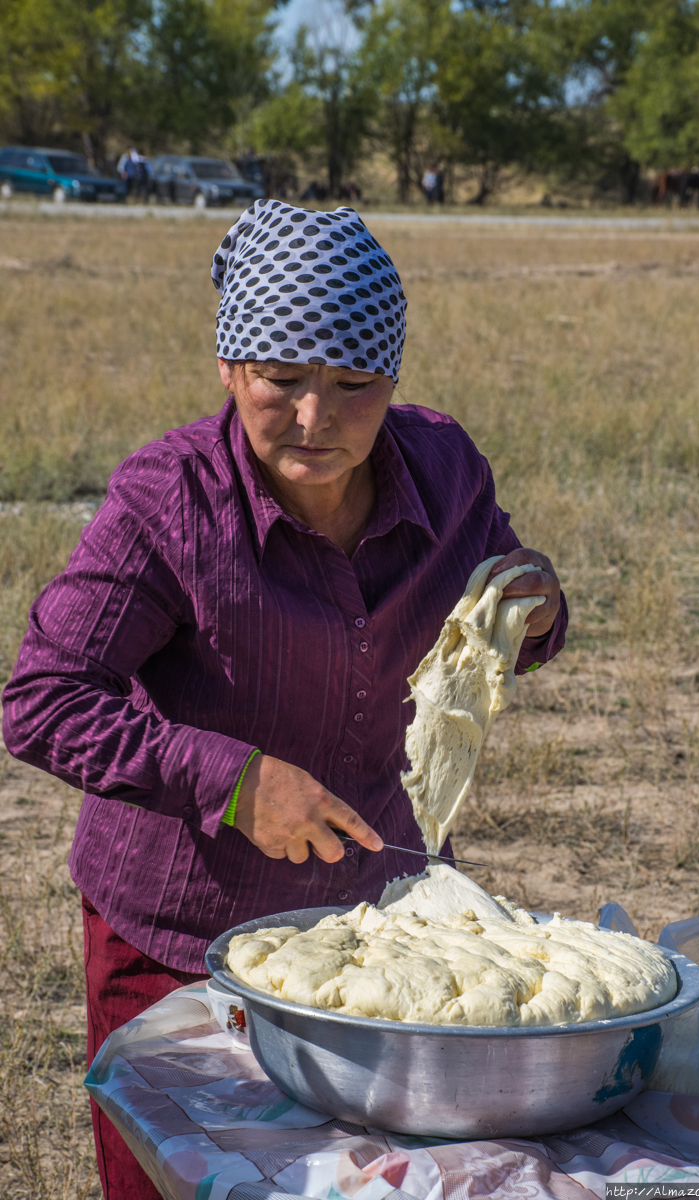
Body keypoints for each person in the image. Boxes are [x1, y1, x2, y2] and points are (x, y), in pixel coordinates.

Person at [2, 201, 568, 1200]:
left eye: (353, 386)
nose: (314, 421)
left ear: (392, 378)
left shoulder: (444, 476)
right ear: (228, 368)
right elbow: (42, 697)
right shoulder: (169, 502)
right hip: (179, 943)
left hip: (386, 931)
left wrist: (533, 607)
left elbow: (503, 599)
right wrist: (230, 779)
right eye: (280, 381)